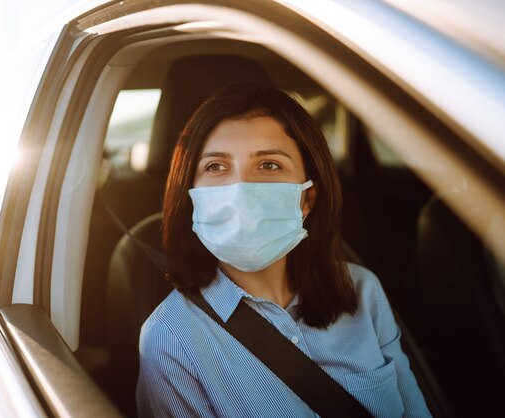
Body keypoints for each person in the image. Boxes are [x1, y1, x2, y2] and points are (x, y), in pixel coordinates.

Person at [136, 84, 431, 417]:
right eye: (216, 166)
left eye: (269, 165)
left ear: (307, 199)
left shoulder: (363, 291)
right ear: (191, 196)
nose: (240, 189)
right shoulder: (170, 340)